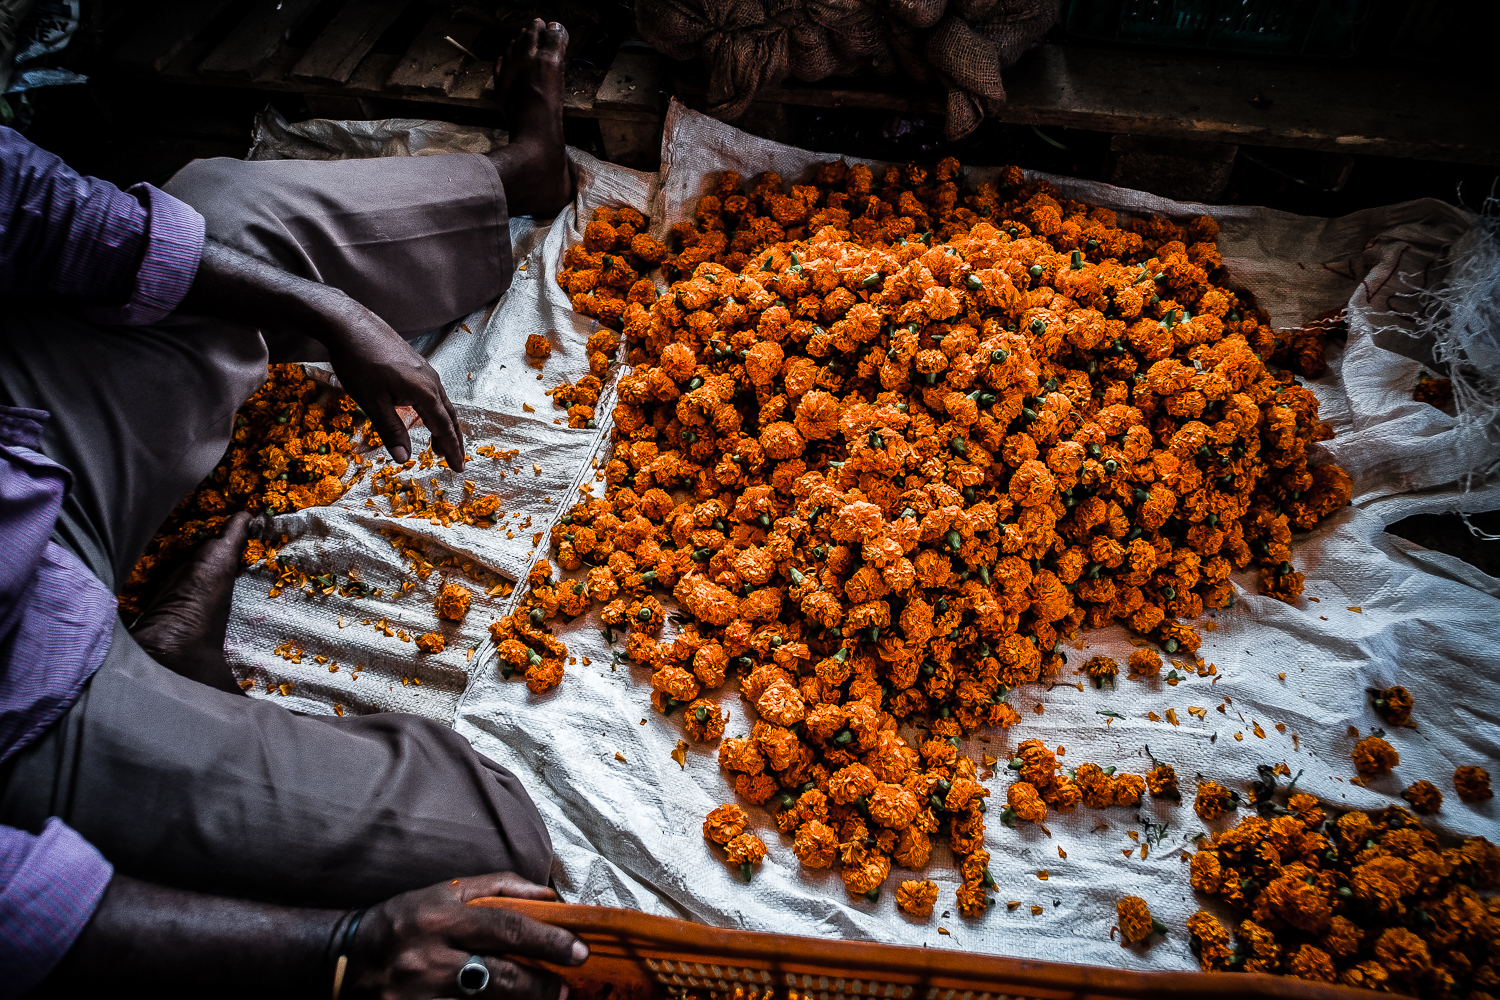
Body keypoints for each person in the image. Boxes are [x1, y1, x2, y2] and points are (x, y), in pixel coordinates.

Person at [0, 19, 587, 1000]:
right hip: (23, 695)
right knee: (493, 847)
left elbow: (45, 215)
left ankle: (516, 179)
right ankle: (172, 691)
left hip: (26, 459)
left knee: (222, 210)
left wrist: (328, 313)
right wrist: (338, 949)